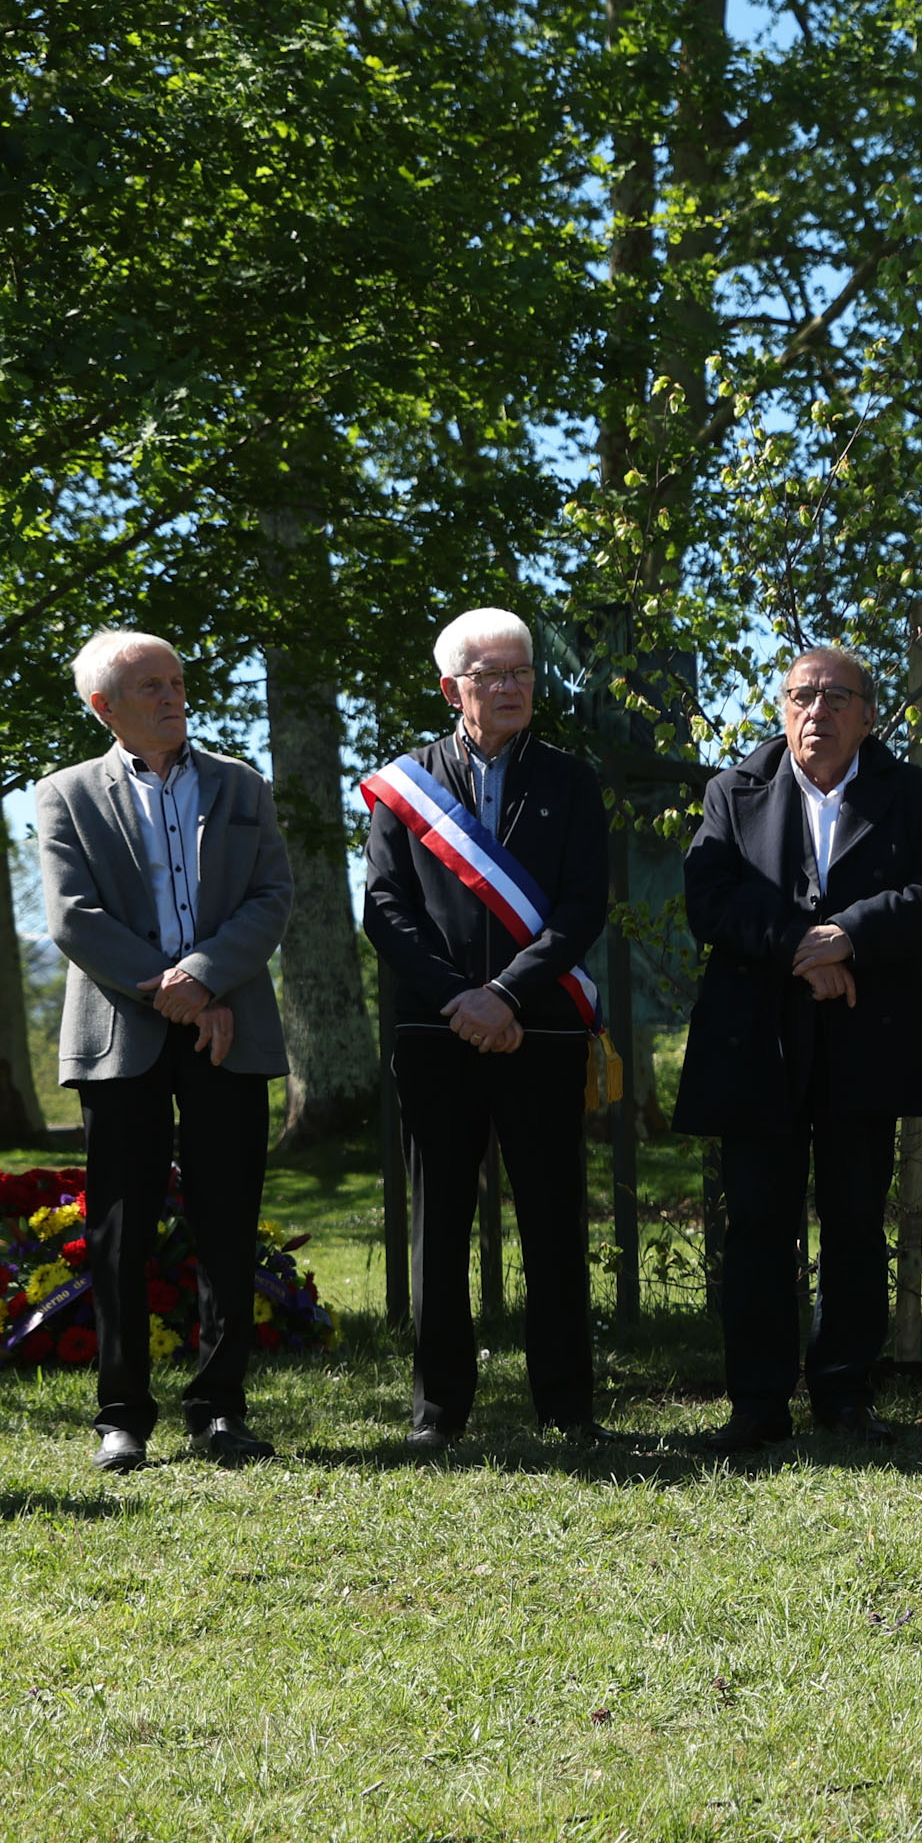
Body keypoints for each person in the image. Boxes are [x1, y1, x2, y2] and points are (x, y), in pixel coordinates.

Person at [673, 647, 922, 1454]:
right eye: (802, 695)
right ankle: (757, 1405)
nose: (817, 711)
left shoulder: (909, 793)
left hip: (867, 1041)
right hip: (756, 1041)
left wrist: (850, 939)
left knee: (855, 1223)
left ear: (868, 714)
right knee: (758, 1223)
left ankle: (844, 1396)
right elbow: (710, 898)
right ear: (782, 708)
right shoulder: (733, 791)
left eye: (837, 696)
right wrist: (807, 947)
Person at [33, 630, 295, 1475]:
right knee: (120, 1230)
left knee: (226, 1222)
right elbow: (73, 916)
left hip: (229, 1028)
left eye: (178, 681)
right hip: (122, 1034)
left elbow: (272, 894)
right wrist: (169, 988)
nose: (174, 696)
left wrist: (206, 979)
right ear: (103, 705)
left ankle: (220, 1410)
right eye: (151, 686)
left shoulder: (241, 784)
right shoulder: (65, 794)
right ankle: (122, 1418)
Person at [359, 607, 617, 1451]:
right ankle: (439, 1414)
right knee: (438, 1229)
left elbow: (583, 905)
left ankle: (566, 1409)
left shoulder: (572, 781)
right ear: (451, 689)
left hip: (538, 1032)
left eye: (523, 673)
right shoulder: (405, 787)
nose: (511, 688)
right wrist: (458, 1002)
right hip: (438, 1039)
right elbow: (386, 911)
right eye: (491, 675)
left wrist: (504, 994)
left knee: (553, 1223)